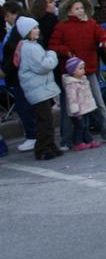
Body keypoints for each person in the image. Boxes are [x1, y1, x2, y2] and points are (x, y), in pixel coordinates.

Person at [48, 0, 106, 143]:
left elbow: (103, 34)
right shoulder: (61, 27)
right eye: (76, 8)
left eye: (81, 8)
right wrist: (65, 50)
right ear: (69, 11)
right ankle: (66, 139)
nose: (80, 11)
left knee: (98, 103)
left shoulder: (91, 23)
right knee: (69, 107)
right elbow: (52, 46)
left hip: (89, 70)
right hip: (70, 73)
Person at [15, 16, 63, 160]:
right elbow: (44, 66)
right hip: (38, 90)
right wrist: (52, 54)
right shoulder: (30, 48)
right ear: (27, 31)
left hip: (40, 90)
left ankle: (50, 145)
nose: (38, 30)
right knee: (45, 121)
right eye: (34, 28)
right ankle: (42, 148)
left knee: (46, 120)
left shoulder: (30, 46)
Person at [3, 0, 37, 152]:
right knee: (25, 105)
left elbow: (14, 53)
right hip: (17, 74)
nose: (6, 19)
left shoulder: (19, 29)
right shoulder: (16, 28)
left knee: (24, 106)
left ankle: (32, 135)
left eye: (8, 15)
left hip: (19, 74)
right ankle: (33, 134)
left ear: (14, 13)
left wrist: (5, 69)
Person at [61, 56, 101, 150]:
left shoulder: (83, 80)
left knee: (86, 125)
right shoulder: (71, 84)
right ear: (73, 71)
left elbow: (88, 94)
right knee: (80, 126)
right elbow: (72, 99)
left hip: (85, 107)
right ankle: (78, 142)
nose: (83, 70)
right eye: (80, 68)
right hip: (78, 110)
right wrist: (75, 110)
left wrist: (91, 105)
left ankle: (88, 140)